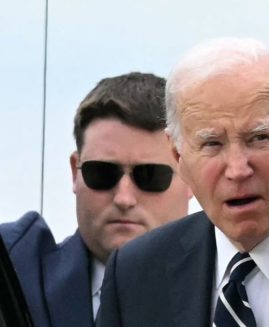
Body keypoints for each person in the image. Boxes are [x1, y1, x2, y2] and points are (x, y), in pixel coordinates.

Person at [97, 38, 269, 327]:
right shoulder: (134, 273)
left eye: (259, 138)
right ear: (178, 156)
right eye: (212, 143)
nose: (238, 169)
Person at [0, 72, 193, 327]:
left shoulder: (231, 289)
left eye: (150, 176)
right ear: (74, 171)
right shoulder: (15, 273)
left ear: (191, 176)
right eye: (102, 173)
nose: (124, 198)